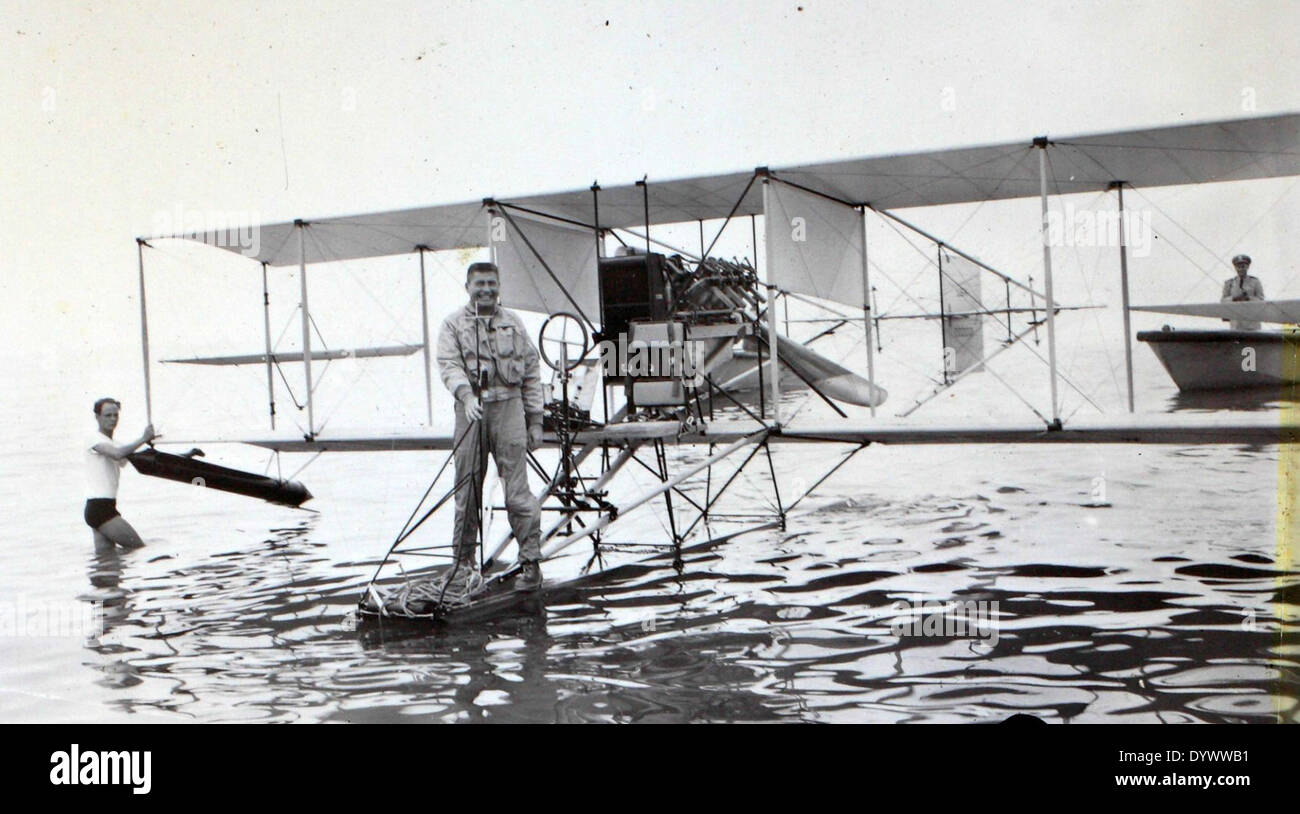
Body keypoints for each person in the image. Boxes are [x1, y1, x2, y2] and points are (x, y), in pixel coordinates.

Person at [436, 261, 545, 596]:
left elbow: (531, 371)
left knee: (518, 491)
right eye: (479, 283)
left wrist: (536, 420)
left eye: (491, 283)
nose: (486, 289)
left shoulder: (514, 322)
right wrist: (466, 396)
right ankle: (462, 565)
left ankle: (530, 563)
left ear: (499, 286)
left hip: (509, 409)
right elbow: (448, 365)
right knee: (467, 489)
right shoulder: (452, 324)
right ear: (467, 287)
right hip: (471, 412)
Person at [85, 398, 158, 551]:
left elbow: (140, 458)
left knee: (107, 563)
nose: (112, 419)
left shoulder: (116, 443)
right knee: (138, 547)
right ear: (97, 417)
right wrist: (143, 438)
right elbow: (117, 454)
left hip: (102, 508)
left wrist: (185, 455)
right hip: (100, 509)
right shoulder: (94, 439)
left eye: (115, 415)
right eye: (107, 415)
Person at [1221, 253, 1265, 330]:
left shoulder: (1255, 282)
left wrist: (1248, 298)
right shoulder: (1229, 283)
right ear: (1235, 268)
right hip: (1236, 323)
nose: (1241, 269)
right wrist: (1234, 298)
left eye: (1243, 266)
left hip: (1252, 323)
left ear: (1247, 267)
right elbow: (1223, 301)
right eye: (1238, 267)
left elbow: (1261, 300)